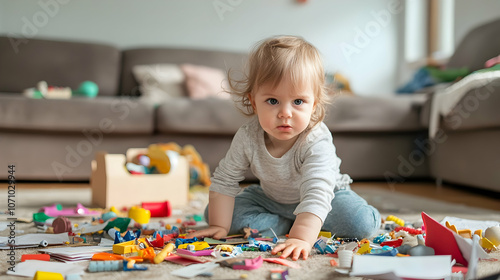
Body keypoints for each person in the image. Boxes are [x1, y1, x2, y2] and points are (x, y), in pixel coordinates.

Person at [187, 35, 380, 260]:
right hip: (271, 198)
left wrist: (301, 238)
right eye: (272, 101)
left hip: (327, 197)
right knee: (214, 214)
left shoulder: (315, 139)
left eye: (298, 102)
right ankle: (287, 222)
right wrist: (220, 225)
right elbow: (225, 179)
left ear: (313, 104)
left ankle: (298, 225)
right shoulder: (248, 135)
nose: (285, 113)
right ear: (253, 101)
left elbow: (318, 192)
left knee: (361, 224)